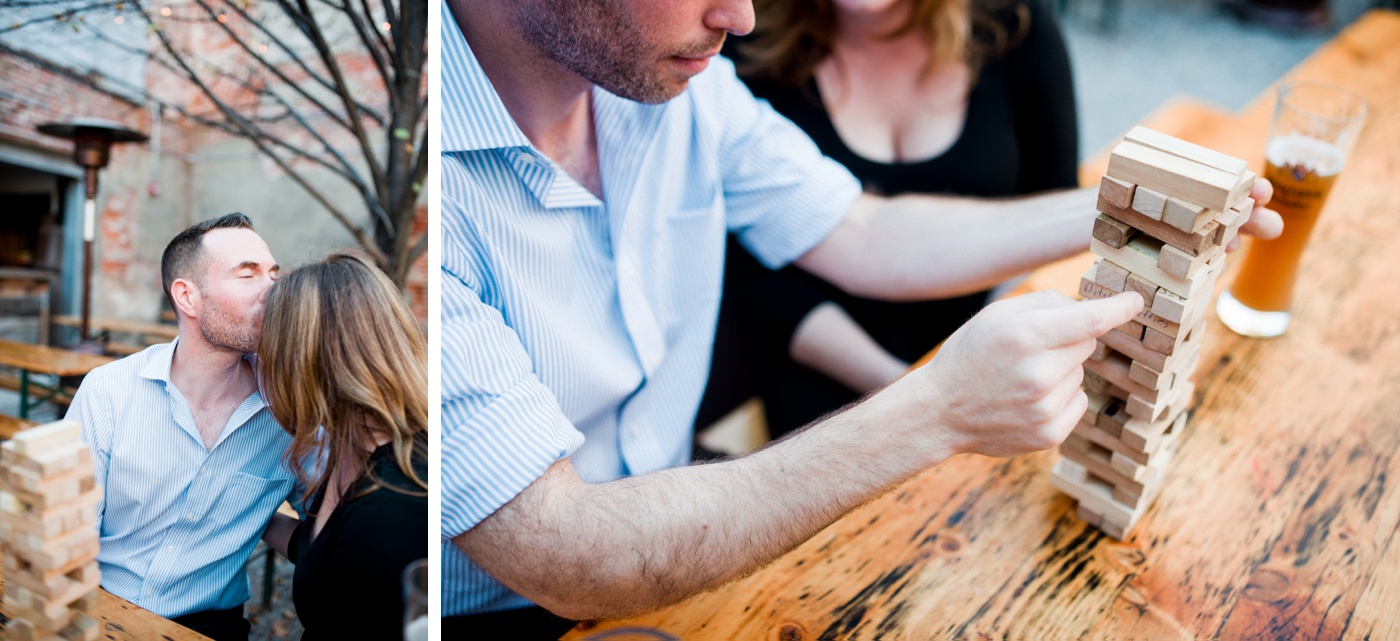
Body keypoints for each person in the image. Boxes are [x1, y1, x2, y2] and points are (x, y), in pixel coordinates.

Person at [442, 0, 1281, 637]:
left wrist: (1132, 209)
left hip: (680, 541)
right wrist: (939, 408)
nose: (740, 15)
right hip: (481, 608)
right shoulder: (393, 198)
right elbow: (564, 554)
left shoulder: (671, 83)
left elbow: (864, 230)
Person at [702, 0, 1083, 436]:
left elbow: (1049, 203)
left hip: (992, 373)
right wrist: (921, 392)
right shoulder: (740, 47)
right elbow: (750, 266)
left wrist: (988, 361)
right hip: (831, 391)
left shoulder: (1016, 23)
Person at [67, 213, 293, 641]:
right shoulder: (109, 390)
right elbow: (68, 538)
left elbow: (331, 520)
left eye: (273, 274)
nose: (274, 290)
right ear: (187, 297)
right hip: (102, 608)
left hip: (213, 624)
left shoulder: (291, 406)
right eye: (248, 275)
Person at [256, 253, 429, 641]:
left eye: (265, 352)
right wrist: (255, 514)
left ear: (302, 361)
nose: (260, 366)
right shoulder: (352, 445)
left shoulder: (395, 504)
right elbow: (324, 553)